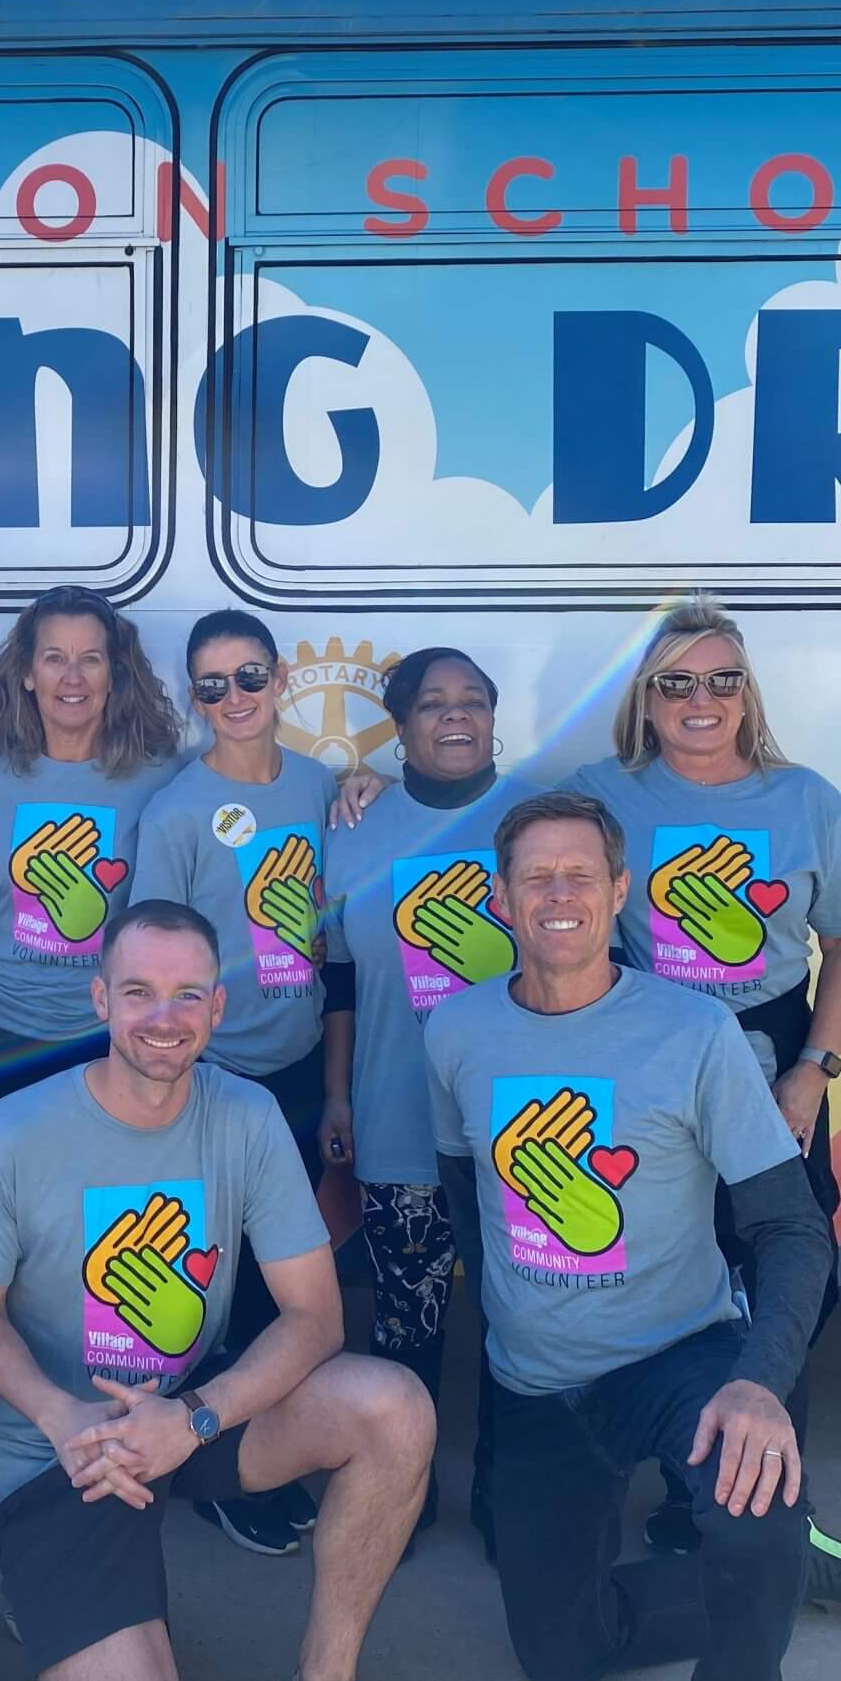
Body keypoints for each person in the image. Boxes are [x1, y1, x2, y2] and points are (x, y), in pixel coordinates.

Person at [0, 900, 444, 1681]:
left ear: (219, 1007)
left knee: (394, 1408)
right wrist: (63, 1417)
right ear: (100, 1000)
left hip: (190, 1415)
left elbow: (317, 1317)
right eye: (139, 992)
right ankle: (57, 1591)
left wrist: (193, 1419)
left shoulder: (247, 1117)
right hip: (64, 1448)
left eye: (187, 996)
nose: (163, 1019)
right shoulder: (13, 1132)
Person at [425, 791, 833, 1681]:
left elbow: (789, 1229)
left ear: (619, 893)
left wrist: (756, 1380)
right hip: (533, 1389)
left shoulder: (696, 1033)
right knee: (560, 1657)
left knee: (752, 1509)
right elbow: (463, 1195)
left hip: (674, 1357)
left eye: (581, 875)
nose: (558, 893)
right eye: (535, 877)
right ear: (498, 899)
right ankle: (787, 1576)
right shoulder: (456, 1034)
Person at [567, 597, 841, 1622]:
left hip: (771, 1061)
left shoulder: (805, 799)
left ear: (746, 694)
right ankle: (689, 1491)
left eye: (720, 680)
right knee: (673, 1274)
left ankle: (765, 1493)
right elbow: (492, 844)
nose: (699, 700)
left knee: (787, 1280)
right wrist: (361, 789)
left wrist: (814, 1070)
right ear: (646, 700)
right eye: (676, 682)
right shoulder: (598, 794)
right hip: (649, 1063)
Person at [126, 609, 344, 1557]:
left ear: (281, 679)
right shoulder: (175, 811)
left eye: (249, 678)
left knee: (275, 1278)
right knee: (203, 1277)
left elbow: (335, 950)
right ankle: (202, 1470)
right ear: (192, 697)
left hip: (294, 1068)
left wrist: (333, 1090)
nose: (234, 701)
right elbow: (147, 963)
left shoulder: (324, 787)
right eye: (210, 687)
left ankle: (253, 1454)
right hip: (210, 1073)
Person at [322, 646, 539, 1552]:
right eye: (434, 704)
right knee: (406, 1324)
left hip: (520, 1126)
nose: (457, 717)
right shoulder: (354, 825)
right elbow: (338, 976)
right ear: (401, 727)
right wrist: (335, 1098)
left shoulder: (539, 818)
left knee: (520, 1321)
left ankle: (506, 1494)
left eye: (474, 701)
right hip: (397, 1117)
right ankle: (401, 1495)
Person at [0, 585, 184, 1101]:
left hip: (107, 1032)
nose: (73, 678)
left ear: (115, 674)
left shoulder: (158, 776)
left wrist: (361, 788)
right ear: (27, 673)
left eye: (91, 659)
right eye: (55, 658)